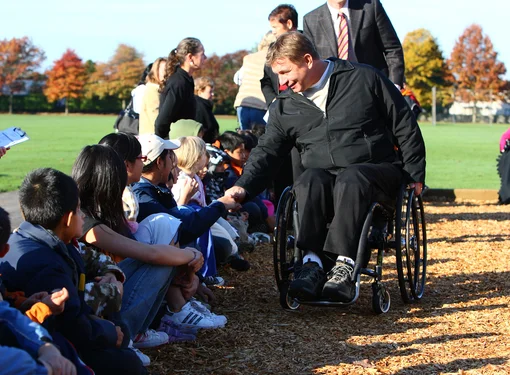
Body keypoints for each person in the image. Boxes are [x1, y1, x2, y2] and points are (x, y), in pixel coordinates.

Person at [225, 32, 425, 304]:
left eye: (285, 72)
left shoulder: (364, 78)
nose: (281, 82)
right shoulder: (286, 105)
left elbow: (403, 123)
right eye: (278, 75)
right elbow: (267, 151)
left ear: (307, 60)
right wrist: (243, 186)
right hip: (324, 178)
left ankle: (345, 265)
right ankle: (312, 262)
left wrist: (414, 173)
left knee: (352, 178)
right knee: (307, 181)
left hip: (375, 172)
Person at [1, 168, 147, 374]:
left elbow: (92, 260)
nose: (83, 215)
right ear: (68, 219)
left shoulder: (41, 236)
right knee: (129, 363)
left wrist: (112, 275)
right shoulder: (45, 264)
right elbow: (73, 327)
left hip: (60, 335)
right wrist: (110, 333)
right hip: (55, 347)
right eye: (79, 210)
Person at [303, 0, 405, 88]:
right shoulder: (311, 20)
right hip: (334, 94)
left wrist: (394, 86)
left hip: (374, 87)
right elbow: (310, 64)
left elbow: (392, 49)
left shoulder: (371, 7)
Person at [156, 38, 207, 140]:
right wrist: (165, 146)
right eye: (202, 54)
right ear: (190, 57)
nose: (205, 57)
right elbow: (162, 122)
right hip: (176, 144)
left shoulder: (187, 79)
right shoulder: (178, 83)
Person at [233, 31, 276, 130]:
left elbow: (237, 79)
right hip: (261, 104)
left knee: (245, 138)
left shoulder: (248, 58)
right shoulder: (273, 58)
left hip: (242, 103)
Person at [260, 4, 299, 106]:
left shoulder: (307, 45)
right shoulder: (273, 48)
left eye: (275, 27)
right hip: (278, 106)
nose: (273, 32)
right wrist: (273, 101)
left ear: (289, 24)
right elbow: (266, 80)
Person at [138, 57, 167, 135]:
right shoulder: (152, 90)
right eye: (164, 70)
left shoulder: (158, 89)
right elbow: (154, 115)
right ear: (156, 71)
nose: (166, 73)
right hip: (152, 137)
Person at [194, 77, 220, 143]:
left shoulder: (205, 106)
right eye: (210, 92)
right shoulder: (200, 107)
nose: (213, 94)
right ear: (200, 91)